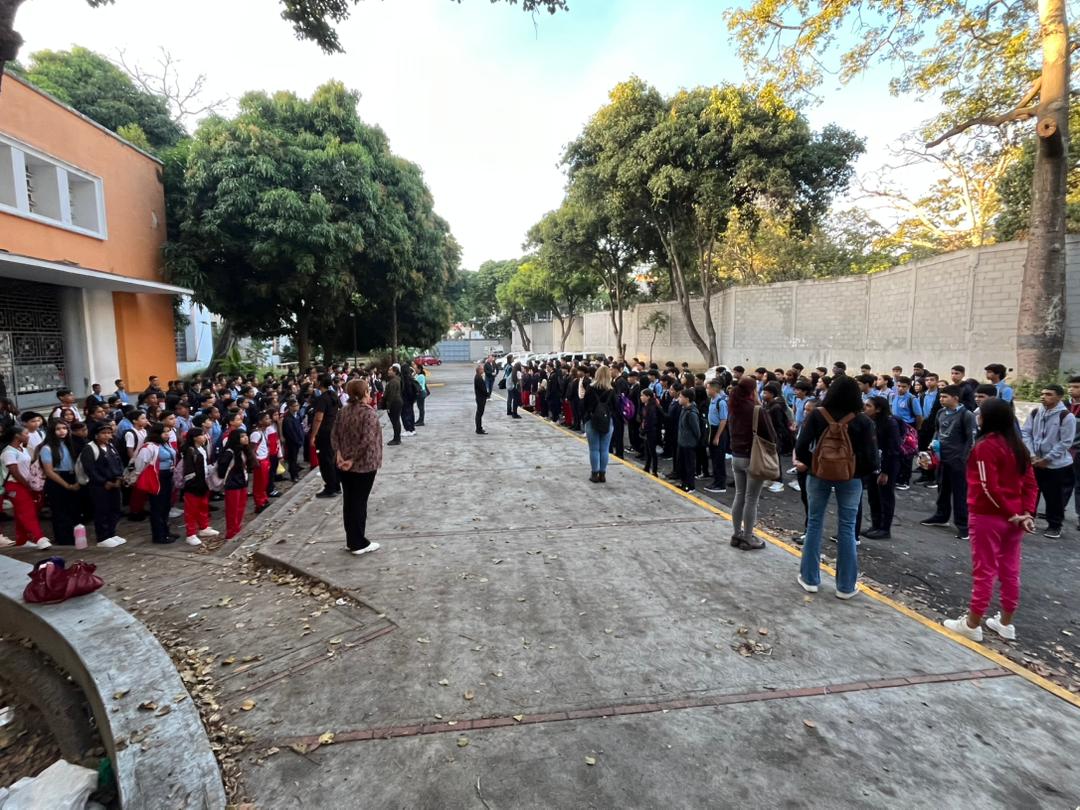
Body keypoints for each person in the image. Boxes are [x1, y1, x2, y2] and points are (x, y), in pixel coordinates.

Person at [943, 397, 1037, 641]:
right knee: (1010, 570)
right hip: (1016, 518)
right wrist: (1026, 513)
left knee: (984, 570)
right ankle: (1005, 623)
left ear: (988, 418)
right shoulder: (1018, 446)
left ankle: (972, 624)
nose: (977, 416)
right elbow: (1030, 484)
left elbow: (987, 487)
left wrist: (1011, 513)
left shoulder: (986, 446)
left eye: (981, 413)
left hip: (990, 516)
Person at [795, 375, 879, 598]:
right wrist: (854, 471)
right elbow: (872, 459)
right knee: (847, 528)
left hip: (818, 474)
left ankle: (810, 578)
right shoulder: (863, 421)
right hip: (850, 478)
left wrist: (814, 465)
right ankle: (846, 586)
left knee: (814, 523)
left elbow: (801, 446)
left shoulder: (817, 415)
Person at [331, 378, 383, 556]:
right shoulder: (368, 413)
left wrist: (339, 454)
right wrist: (352, 459)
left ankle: (352, 539)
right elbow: (366, 440)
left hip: (343, 464)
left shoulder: (343, 411)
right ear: (364, 393)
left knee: (350, 502)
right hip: (364, 465)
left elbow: (334, 434)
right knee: (359, 503)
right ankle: (358, 542)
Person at [920, 385, 977, 540]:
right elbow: (938, 432)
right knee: (942, 489)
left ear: (956, 398)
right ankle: (941, 516)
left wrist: (963, 459)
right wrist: (933, 445)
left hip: (958, 461)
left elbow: (971, 440)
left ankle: (963, 525)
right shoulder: (941, 412)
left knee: (960, 494)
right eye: (940, 396)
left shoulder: (966, 415)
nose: (941, 399)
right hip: (942, 458)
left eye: (945, 397)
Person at [1020, 384, 1076, 539]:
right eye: (1042, 393)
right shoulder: (1036, 412)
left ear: (1059, 397)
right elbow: (1026, 433)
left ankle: (1054, 525)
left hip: (1057, 465)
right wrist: (1032, 455)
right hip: (1035, 461)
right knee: (1031, 492)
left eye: (1049, 394)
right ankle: (1028, 519)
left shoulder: (1066, 416)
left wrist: (1047, 459)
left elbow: (1066, 442)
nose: (1043, 397)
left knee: (1054, 497)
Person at [727, 376, 772, 551]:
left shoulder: (734, 407)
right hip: (753, 458)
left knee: (739, 495)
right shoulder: (756, 409)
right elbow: (770, 434)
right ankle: (747, 537)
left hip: (736, 456)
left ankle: (736, 533)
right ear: (753, 390)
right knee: (751, 499)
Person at [1, 424, 50, 548]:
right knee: (27, 511)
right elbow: (14, 471)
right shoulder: (8, 452)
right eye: (26, 434)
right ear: (17, 436)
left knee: (21, 511)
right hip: (15, 485)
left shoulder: (22, 449)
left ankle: (22, 539)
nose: (28, 436)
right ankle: (39, 538)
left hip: (24, 483)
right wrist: (26, 484)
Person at [80, 423, 127, 548]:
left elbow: (119, 462)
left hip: (115, 483)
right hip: (99, 486)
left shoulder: (110, 446)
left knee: (115, 509)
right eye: (103, 433)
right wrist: (104, 482)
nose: (107, 436)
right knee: (102, 510)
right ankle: (102, 537)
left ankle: (112, 533)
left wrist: (119, 478)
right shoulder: (89, 449)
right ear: (96, 435)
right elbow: (90, 469)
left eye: (109, 433)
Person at [36, 419, 81, 547]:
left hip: (71, 477)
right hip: (57, 480)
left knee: (73, 510)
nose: (62, 431)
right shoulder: (47, 448)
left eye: (64, 428)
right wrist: (67, 485)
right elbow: (49, 471)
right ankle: (64, 539)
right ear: (52, 431)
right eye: (58, 429)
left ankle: (73, 536)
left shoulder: (69, 444)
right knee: (60, 511)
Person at [861, 396, 900, 540]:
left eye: (869, 406)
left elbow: (893, 450)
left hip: (886, 465)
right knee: (873, 496)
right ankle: (875, 525)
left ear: (878, 409)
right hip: (873, 465)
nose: (865, 408)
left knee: (885, 497)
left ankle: (885, 529)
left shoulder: (890, 423)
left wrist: (885, 472)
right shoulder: (869, 422)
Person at [135, 423, 178, 544]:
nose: (167, 434)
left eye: (168, 432)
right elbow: (140, 464)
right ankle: (159, 535)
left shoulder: (165, 444)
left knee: (166, 506)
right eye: (164, 432)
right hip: (157, 478)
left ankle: (166, 531)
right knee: (157, 507)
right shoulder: (149, 447)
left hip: (168, 476)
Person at [180, 427, 218, 546]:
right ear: (195, 438)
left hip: (203, 481)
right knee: (191, 510)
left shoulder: (202, 449)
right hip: (193, 484)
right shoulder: (190, 451)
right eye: (202, 435)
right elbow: (189, 470)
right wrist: (193, 482)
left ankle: (203, 527)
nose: (205, 437)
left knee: (203, 506)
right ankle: (190, 534)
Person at [217, 430, 252, 540]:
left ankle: (238, 529)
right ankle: (231, 532)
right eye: (242, 436)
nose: (246, 438)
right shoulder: (229, 452)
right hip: (232, 483)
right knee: (232, 510)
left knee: (241, 507)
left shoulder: (244, 450)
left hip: (242, 481)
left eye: (246, 435)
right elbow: (221, 469)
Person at [583, 365, 615, 483]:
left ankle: (594, 474)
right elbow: (615, 407)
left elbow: (584, 405)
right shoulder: (611, 390)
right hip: (607, 421)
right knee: (604, 449)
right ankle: (603, 474)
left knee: (594, 449)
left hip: (592, 420)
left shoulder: (590, 388)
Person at [311, 374, 341, 498]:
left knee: (325, 460)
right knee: (333, 459)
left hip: (324, 432)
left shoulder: (322, 399)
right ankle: (336, 485)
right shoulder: (333, 395)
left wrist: (313, 435)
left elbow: (318, 418)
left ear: (320, 383)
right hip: (334, 429)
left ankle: (330, 487)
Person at [676, 388, 702, 491]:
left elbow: (697, 431)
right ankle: (684, 483)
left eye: (681, 397)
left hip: (689, 444)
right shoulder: (684, 409)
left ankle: (690, 486)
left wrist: (693, 441)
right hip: (682, 442)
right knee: (682, 465)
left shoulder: (691, 413)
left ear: (687, 399)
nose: (679, 399)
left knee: (689, 466)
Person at [249, 411, 273, 514]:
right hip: (260, 461)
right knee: (259, 484)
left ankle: (264, 499)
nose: (269, 420)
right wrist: (256, 462)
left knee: (264, 482)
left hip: (265, 459)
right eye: (266, 419)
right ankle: (259, 503)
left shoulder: (263, 432)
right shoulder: (256, 434)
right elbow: (252, 449)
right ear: (260, 421)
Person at [639, 387, 661, 476]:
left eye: (642, 396)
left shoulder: (651, 407)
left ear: (648, 397)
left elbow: (651, 421)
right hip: (646, 431)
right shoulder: (646, 406)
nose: (641, 397)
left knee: (652, 452)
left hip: (651, 432)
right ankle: (647, 467)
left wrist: (645, 430)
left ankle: (654, 471)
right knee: (647, 451)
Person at [282, 398, 305, 481]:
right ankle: (294, 475)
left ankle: (295, 472)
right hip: (292, 442)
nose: (297, 407)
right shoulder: (287, 418)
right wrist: (297, 440)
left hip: (298, 439)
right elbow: (290, 432)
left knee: (295, 458)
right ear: (290, 407)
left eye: (297, 405)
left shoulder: (297, 415)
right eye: (295, 406)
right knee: (292, 459)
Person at [384, 365, 404, 446]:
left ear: (395, 372)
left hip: (395, 403)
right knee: (396, 421)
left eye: (390, 370)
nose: (388, 371)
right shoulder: (397, 379)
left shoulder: (394, 381)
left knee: (395, 421)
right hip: (397, 402)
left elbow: (391, 395)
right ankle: (396, 438)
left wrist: (388, 406)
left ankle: (397, 439)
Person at [474, 364, 490, 434]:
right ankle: (478, 429)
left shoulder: (479, 377)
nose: (483, 370)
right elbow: (482, 389)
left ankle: (479, 427)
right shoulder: (478, 378)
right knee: (479, 413)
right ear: (479, 370)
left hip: (481, 397)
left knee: (480, 413)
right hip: (480, 398)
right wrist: (487, 394)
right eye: (482, 369)